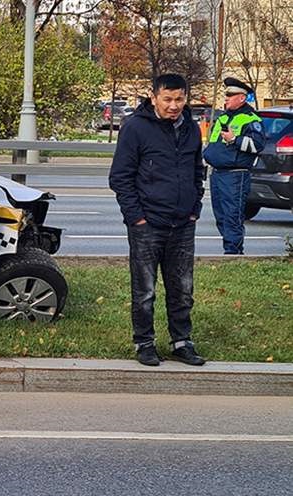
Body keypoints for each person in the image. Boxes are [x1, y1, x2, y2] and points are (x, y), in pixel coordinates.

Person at [108, 73, 207, 367]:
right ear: (154, 98)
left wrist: (194, 207)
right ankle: (144, 343)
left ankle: (182, 342)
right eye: (167, 99)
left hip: (182, 224)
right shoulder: (136, 128)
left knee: (182, 289)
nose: (174, 105)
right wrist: (136, 217)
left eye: (179, 99)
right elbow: (120, 178)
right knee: (144, 291)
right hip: (147, 225)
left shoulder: (190, 128)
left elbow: (196, 171)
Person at [203, 77, 265, 255]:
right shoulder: (223, 117)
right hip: (217, 173)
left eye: (231, 95)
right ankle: (230, 250)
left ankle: (233, 254)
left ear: (242, 98)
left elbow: (257, 145)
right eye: (226, 94)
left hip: (235, 175)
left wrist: (235, 140)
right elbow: (213, 144)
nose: (226, 98)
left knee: (232, 216)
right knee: (221, 217)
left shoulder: (250, 119)